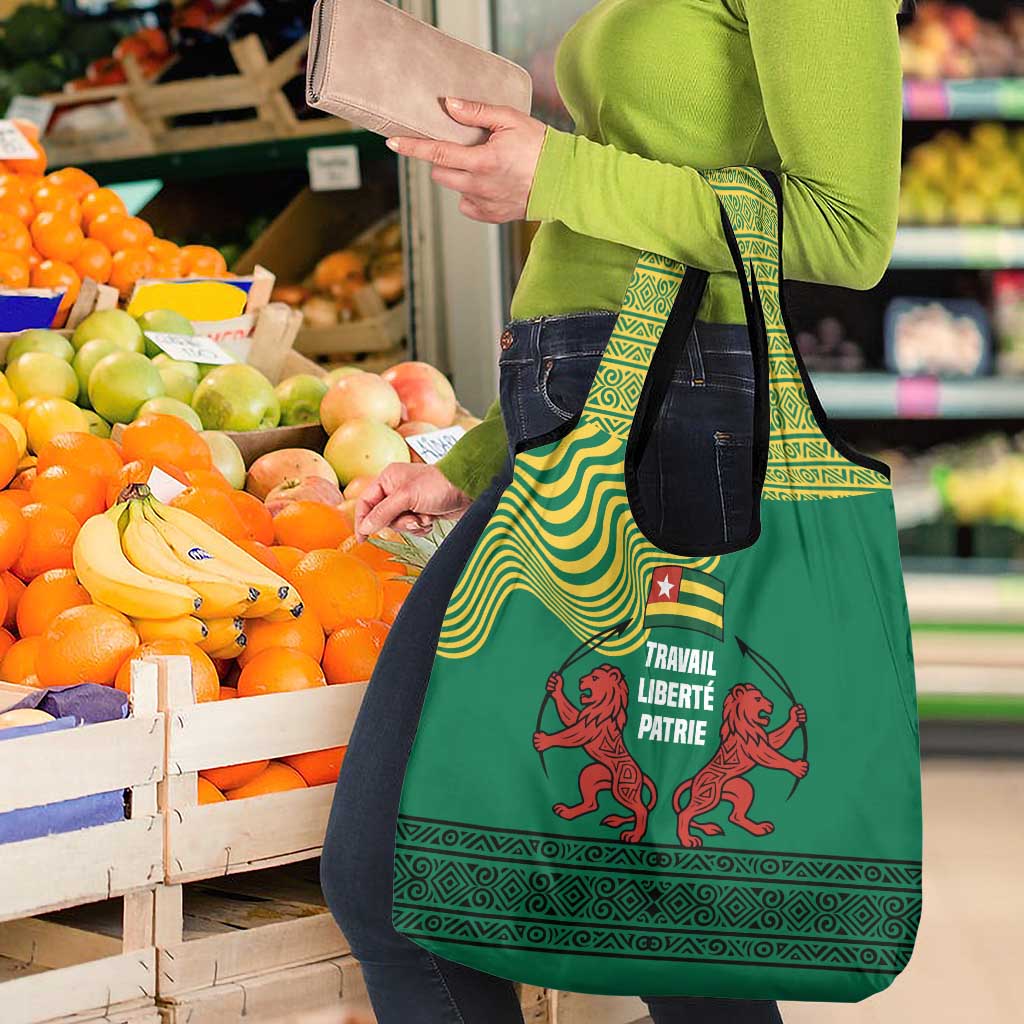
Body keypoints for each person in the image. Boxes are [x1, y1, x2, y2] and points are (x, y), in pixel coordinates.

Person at [321, 2, 904, 1021]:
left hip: (676, 448)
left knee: (404, 876)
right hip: (592, 430)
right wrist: (478, 457)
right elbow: (619, 251)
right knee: (662, 914)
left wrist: (559, 172)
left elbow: (847, 228)